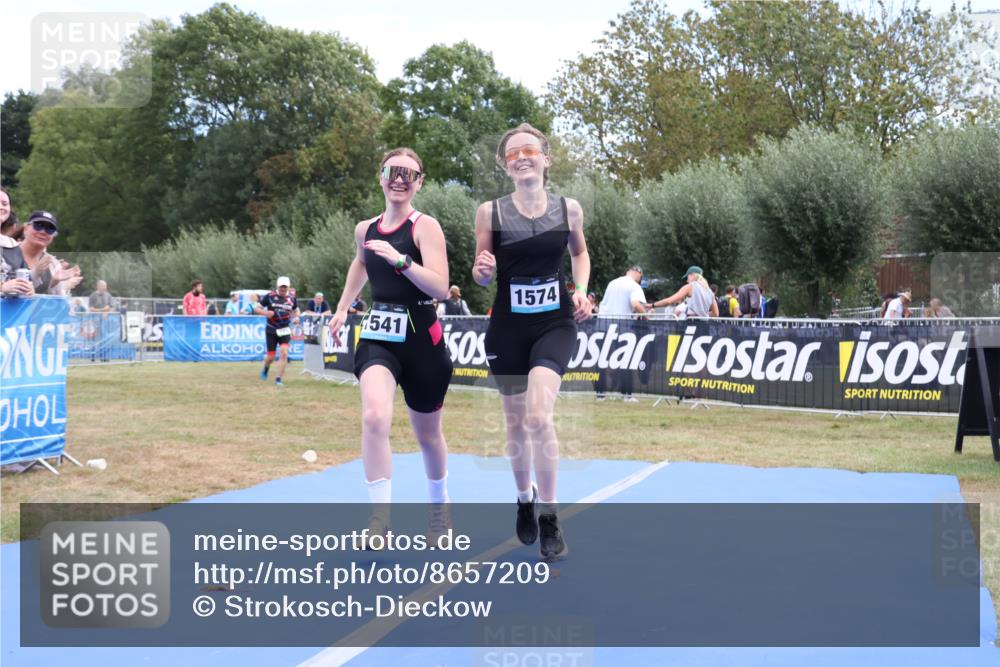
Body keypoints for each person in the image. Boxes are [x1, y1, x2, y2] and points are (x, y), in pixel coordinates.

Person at [472, 123, 592, 561]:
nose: (521, 156)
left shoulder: (568, 210)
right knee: (517, 424)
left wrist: (580, 289)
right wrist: (482, 270)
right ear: (506, 167)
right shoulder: (491, 213)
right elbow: (480, 271)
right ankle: (524, 497)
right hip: (507, 328)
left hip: (553, 325)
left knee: (540, 418)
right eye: (512, 154)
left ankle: (549, 514)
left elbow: (580, 254)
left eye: (529, 150)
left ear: (546, 158)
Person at [327, 147, 453, 543]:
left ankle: (439, 510)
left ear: (419, 183)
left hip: (422, 336)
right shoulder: (365, 229)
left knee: (428, 435)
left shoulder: (424, 227)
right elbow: (361, 262)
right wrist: (343, 307)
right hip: (379, 333)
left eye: (409, 174)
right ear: (380, 176)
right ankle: (379, 522)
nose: (399, 179)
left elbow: (441, 288)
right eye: (393, 171)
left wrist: (401, 262)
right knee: (375, 417)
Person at [597, 265, 651, 402]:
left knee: (601, 361)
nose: (640, 280)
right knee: (626, 361)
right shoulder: (634, 286)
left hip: (602, 324)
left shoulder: (612, 282)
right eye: (641, 277)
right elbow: (636, 304)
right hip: (622, 328)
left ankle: (600, 394)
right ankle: (626, 394)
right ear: (638, 273)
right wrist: (647, 317)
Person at [255, 276, 300, 386]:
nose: (283, 289)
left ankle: (278, 379)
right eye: (281, 287)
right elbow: (256, 308)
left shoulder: (292, 298)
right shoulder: (270, 296)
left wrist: (297, 317)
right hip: (271, 330)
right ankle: (266, 367)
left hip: (285, 329)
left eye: (285, 287)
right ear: (277, 286)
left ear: (288, 287)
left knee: (284, 353)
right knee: (270, 357)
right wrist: (266, 313)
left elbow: (297, 310)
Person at [651, 266, 719, 318]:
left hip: (690, 324)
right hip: (704, 326)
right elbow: (716, 314)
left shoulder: (690, 286)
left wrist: (652, 305)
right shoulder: (709, 291)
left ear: (692, 275)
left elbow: (669, 301)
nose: (687, 280)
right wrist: (703, 316)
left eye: (687, 277)